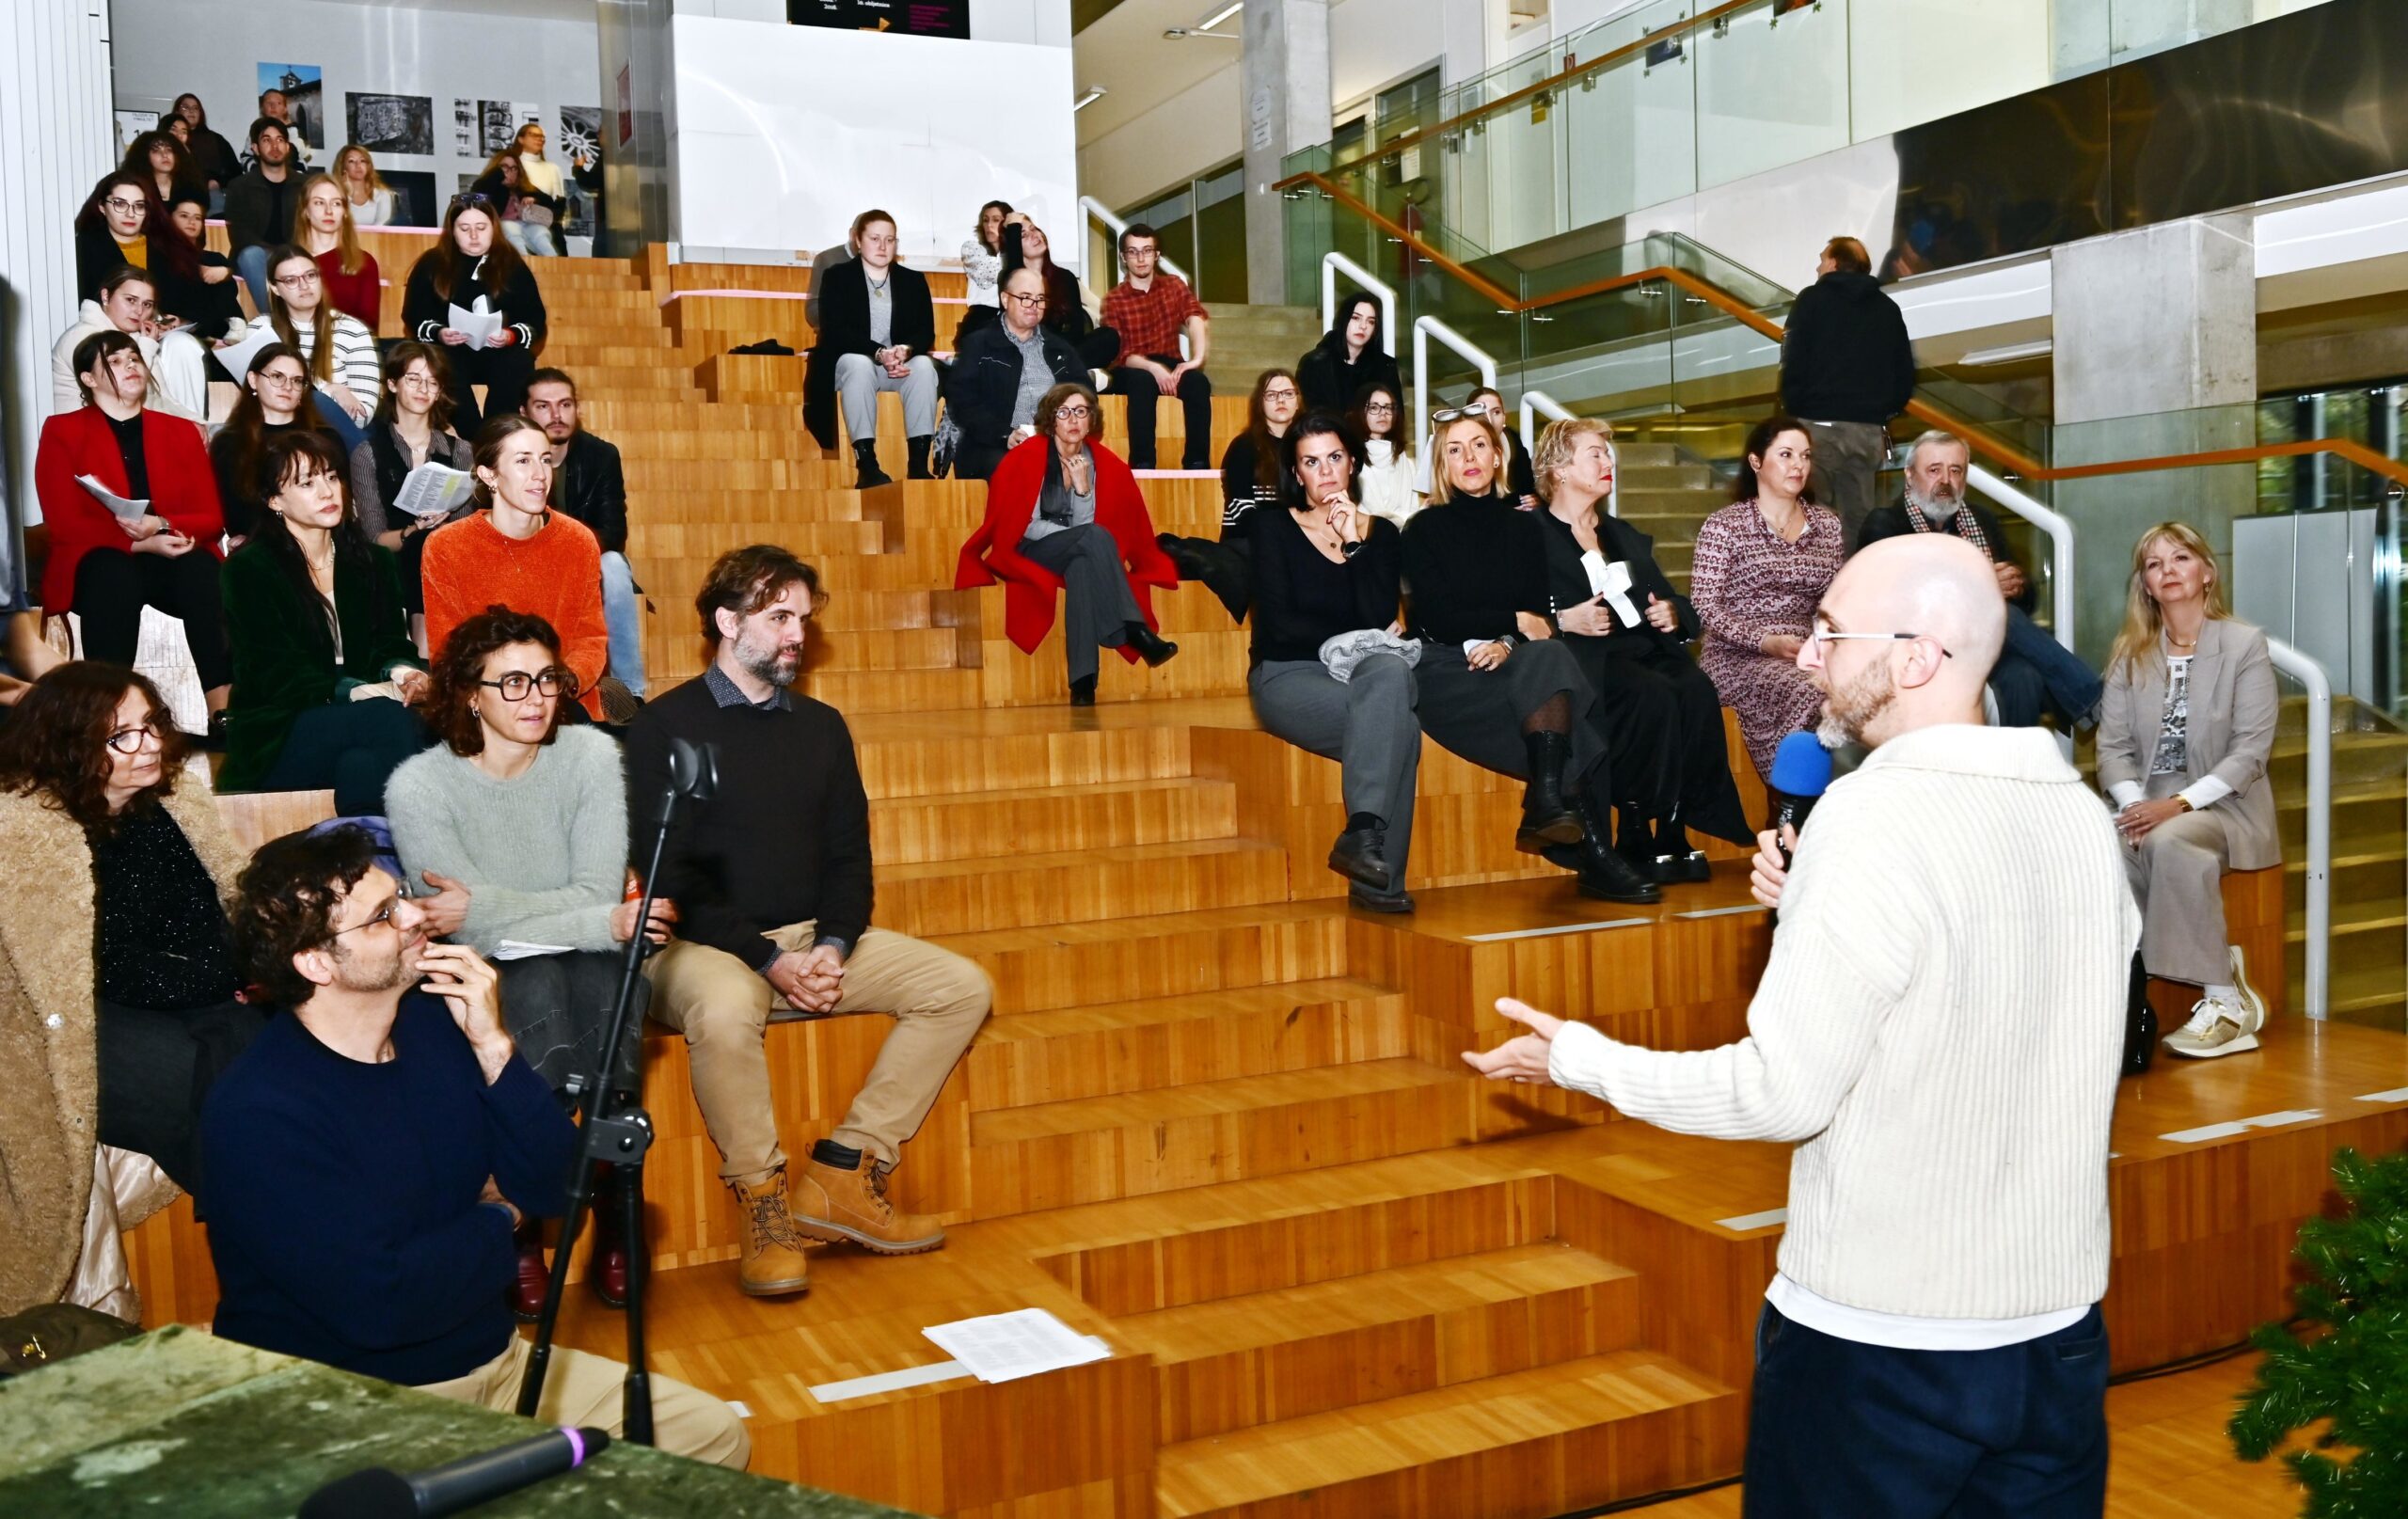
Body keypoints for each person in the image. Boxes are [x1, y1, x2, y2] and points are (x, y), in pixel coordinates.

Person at [1466, 533, 2135, 1519]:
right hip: (2057, 1345)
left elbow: (1780, 1090)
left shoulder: (1870, 818)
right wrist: (1812, 903)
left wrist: (1580, 1058)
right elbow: (1998, 995)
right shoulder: (2078, 816)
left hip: (1880, 1354)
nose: (1809, 652)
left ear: (1914, 657)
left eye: (1832, 630)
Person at [199, 826, 748, 1467]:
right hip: (360, 1403)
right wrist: (499, 1215)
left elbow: (555, 1186)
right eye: (382, 916)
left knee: (710, 1436)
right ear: (315, 963)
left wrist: (495, 1047)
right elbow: (383, 1304)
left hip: (501, 1363)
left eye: (400, 895)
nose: (413, 915)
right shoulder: (258, 1111)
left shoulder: (439, 1019)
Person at [630, 546, 994, 1296]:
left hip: (806, 937)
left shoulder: (823, 726)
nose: (796, 632)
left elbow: (847, 859)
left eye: (801, 616)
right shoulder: (663, 727)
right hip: (702, 946)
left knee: (961, 986)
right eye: (778, 616)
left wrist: (831, 944)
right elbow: (673, 876)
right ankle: (762, 1202)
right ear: (728, 623)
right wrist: (769, 961)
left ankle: (844, 1173)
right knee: (727, 1006)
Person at [386, 609, 672, 1314]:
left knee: (610, 971)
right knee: (542, 976)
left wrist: (489, 904)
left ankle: (610, 1198)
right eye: (510, 682)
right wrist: (589, 918)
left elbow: (597, 895)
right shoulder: (418, 786)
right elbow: (458, 930)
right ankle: (533, 1211)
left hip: (592, 965)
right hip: (476, 971)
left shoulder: (591, 757)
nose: (535, 696)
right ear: (468, 694)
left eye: (546, 678)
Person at [0, 664, 263, 1321]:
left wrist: (235, 973)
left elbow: (222, 909)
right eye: (122, 736)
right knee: (194, 1072)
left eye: (150, 725)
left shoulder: (175, 802)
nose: (148, 745)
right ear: (70, 745)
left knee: (266, 1047)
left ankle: (278, 1251)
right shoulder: (26, 833)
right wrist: (217, 978)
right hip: (73, 1018)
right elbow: (84, 967)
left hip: (189, 993)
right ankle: (264, 1257)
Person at [1402, 409, 1657, 904]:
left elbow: (1538, 616)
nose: (1468, 457)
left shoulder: (1524, 528)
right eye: (1454, 450)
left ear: (1498, 456)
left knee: (1550, 658)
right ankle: (1591, 847)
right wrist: (1510, 623)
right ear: (1442, 465)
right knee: (1574, 714)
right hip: (1446, 666)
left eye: (1478, 445)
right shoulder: (1422, 529)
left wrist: (1509, 639)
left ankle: (1550, 803)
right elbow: (1439, 616)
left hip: (1510, 658)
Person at [1532, 418, 1751, 883]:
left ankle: (1671, 823)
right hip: (1584, 660)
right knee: (1647, 692)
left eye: (1607, 454)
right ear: (1559, 469)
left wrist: (1672, 613)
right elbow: (1515, 609)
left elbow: (1673, 599)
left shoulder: (1621, 535)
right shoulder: (1531, 535)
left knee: (1694, 687)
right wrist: (1564, 620)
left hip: (1642, 650)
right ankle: (1633, 823)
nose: (1607, 461)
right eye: (1595, 453)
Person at [2097, 521, 2278, 1060]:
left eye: (2180, 559)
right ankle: (2125, 1004)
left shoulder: (2244, 645)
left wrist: (2172, 806)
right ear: (2146, 585)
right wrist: (2135, 807)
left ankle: (2225, 999)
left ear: (2206, 573)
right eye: (2155, 564)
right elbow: (2111, 751)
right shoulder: (2131, 655)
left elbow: (2249, 753)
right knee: (2098, 847)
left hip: (2224, 805)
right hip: (2146, 803)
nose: (2168, 571)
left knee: (2169, 841)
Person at [1244, 413, 1420, 911]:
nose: (1325, 472)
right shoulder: (1272, 526)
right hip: (1289, 675)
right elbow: (1279, 628)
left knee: (1389, 674)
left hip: (1363, 675)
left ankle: (1362, 839)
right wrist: (1352, 632)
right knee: (1399, 725)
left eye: (1335, 458)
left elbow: (1377, 614)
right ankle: (1378, 884)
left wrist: (1353, 543)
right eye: (1311, 462)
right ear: (1296, 473)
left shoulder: (1380, 535)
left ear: (1352, 462)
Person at [216, 431, 431, 814]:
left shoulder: (372, 561)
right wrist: (361, 692)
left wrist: (403, 674)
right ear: (274, 500)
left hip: (363, 722)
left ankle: (372, 851)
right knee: (388, 720)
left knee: (362, 766)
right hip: (280, 727)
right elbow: (276, 673)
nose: (327, 491)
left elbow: (391, 643)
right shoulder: (249, 570)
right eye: (307, 482)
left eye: (332, 477)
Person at [34, 331, 231, 732]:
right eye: (116, 360)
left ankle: (223, 713)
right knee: (112, 572)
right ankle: (110, 716)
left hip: (169, 554)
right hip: (101, 557)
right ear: (89, 379)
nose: (131, 365)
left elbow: (211, 517)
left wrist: (162, 525)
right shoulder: (62, 430)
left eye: (134, 358)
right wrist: (138, 544)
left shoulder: (179, 430)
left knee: (201, 570)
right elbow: (64, 523)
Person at [1859, 431, 2103, 730]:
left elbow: (2025, 603)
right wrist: (1983, 586)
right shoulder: (1885, 524)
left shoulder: (1981, 520)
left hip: (1983, 649)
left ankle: (2013, 775)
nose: (1946, 481)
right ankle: (2091, 697)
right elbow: (1895, 605)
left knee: (2023, 674)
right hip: (1921, 651)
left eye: (1956, 470)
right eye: (1934, 470)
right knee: (1997, 609)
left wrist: (2016, 583)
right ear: (1909, 475)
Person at [956, 383, 1180, 704]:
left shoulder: (1103, 464)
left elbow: (1085, 529)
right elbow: (1027, 526)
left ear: (1091, 420)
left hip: (1079, 546)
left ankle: (1083, 682)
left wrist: (1083, 491)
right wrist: (1066, 534)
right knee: (1095, 539)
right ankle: (1133, 629)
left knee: (1082, 567)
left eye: (1080, 412)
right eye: (1063, 412)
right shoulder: (1029, 457)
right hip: (1033, 548)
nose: (1072, 420)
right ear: (1051, 420)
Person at [421, 417, 609, 720]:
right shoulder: (446, 546)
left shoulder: (578, 540)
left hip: (562, 700)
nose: (540, 475)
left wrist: (555, 686)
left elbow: (590, 640)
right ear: (489, 475)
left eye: (545, 460)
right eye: (523, 461)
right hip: (487, 707)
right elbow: (447, 652)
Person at [1692, 416, 1846, 782]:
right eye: (1787, 454)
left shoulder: (1828, 525)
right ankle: (1792, 802)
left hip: (1805, 652)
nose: (1798, 465)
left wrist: (1827, 642)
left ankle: (1848, 798)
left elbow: (1834, 602)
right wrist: (1764, 641)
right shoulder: (1725, 525)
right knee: (1811, 693)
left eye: (1805, 456)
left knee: (1860, 688)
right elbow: (1704, 606)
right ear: (1756, 462)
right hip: (1736, 658)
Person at [1780, 235, 1916, 547]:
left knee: (1813, 517)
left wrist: (1795, 410)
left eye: (1821, 259)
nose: (1817, 267)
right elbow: (1904, 371)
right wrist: (1883, 411)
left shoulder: (1812, 300)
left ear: (1834, 262)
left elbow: (1793, 359)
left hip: (1819, 426)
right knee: (1860, 519)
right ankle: (1856, 587)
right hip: (1866, 432)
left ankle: (1819, 590)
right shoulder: (1887, 308)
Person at [524, 369, 645, 707]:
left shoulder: (601, 455)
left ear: (577, 408)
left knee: (616, 567)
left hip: (588, 555)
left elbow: (614, 532)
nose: (556, 415)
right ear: (525, 413)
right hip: (527, 555)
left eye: (564, 404)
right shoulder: (512, 457)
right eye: (543, 406)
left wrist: (569, 551)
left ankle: (629, 694)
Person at [349, 342, 475, 642]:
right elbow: (375, 539)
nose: (424, 389)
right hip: (392, 558)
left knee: (435, 545)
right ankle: (421, 647)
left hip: (446, 559)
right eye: (414, 379)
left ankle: (427, 647)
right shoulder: (368, 453)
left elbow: (466, 530)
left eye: (432, 382)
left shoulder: (460, 450)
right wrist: (414, 528)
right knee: (419, 543)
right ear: (392, 384)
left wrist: (441, 527)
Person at [403, 193, 547, 435]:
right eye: (464, 228)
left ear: (494, 228)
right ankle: (471, 436)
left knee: (518, 361)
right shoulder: (433, 263)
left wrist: (510, 335)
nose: (473, 236)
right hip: (452, 351)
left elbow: (534, 319)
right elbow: (414, 315)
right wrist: (440, 333)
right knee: (440, 360)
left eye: (481, 227)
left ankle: (495, 434)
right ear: (452, 230)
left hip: (500, 350)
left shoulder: (511, 264)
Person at [816, 209, 939, 487]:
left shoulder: (914, 281)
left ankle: (918, 464)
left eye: (890, 240)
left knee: (922, 365)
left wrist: (905, 350)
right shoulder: (837, 277)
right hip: (854, 364)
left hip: (896, 366)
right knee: (858, 364)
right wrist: (878, 353)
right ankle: (867, 464)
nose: (883, 247)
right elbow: (835, 331)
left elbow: (925, 332)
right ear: (858, 241)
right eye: (874, 238)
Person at [944, 264, 1083, 483]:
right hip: (991, 444)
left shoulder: (1060, 349)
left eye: (1040, 299)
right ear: (1005, 299)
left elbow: (1084, 394)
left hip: (1054, 442)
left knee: (1098, 465)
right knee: (1013, 467)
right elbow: (962, 402)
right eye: (1025, 297)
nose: (1033, 306)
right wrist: (1004, 435)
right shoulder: (978, 344)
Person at [1101, 224, 1212, 471]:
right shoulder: (1114, 299)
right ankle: (1143, 464)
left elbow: (1195, 318)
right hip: (1132, 366)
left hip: (1169, 359)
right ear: (1123, 257)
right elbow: (1120, 354)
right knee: (1141, 382)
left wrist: (1196, 360)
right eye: (1133, 252)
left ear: (1157, 255)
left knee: (1198, 383)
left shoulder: (1173, 285)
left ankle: (1197, 463)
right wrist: (1154, 368)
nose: (1140, 258)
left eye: (1147, 251)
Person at [50, 266, 208, 424]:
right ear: (106, 296)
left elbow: (163, 398)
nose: (138, 311)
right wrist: (147, 346)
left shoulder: (136, 337)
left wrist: (194, 422)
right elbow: (126, 393)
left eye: (147, 304)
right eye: (130, 300)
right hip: (85, 433)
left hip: (122, 426)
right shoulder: (82, 336)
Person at [210, 344, 333, 542]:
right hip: (257, 546)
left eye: (297, 381)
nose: (288, 387)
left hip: (319, 541)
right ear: (253, 380)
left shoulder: (325, 438)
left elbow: (337, 505)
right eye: (277, 377)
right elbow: (233, 514)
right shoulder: (229, 442)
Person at [264, 244, 380, 450]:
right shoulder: (261, 330)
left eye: (310, 275)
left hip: (335, 438)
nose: (304, 285)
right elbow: (262, 398)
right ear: (275, 288)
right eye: (291, 280)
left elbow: (362, 415)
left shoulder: (353, 330)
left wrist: (317, 399)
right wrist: (329, 389)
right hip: (278, 437)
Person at [1001, 216, 1118, 371]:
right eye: (1023, 235)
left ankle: (1062, 371)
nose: (1034, 235)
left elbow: (1076, 332)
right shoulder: (1010, 280)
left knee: (1109, 337)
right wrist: (1012, 228)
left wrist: (1060, 351)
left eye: (1034, 228)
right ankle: (1069, 373)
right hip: (1030, 354)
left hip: (1063, 354)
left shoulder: (1065, 277)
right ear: (1015, 245)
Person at [224, 118, 303, 312]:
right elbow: (240, 235)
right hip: (255, 259)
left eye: (280, 140)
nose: (275, 145)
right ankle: (273, 320)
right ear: (256, 148)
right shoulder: (239, 186)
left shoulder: (304, 185)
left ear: (287, 146)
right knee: (252, 254)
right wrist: (275, 254)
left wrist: (287, 254)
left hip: (293, 255)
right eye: (267, 140)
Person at [153, 191, 248, 347]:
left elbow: (228, 290)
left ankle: (234, 321)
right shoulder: (158, 255)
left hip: (213, 321)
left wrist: (225, 273)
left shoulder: (212, 258)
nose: (192, 222)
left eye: (197, 218)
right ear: (170, 219)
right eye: (184, 216)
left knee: (216, 263)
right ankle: (230, 321)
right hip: (178, 319)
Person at [293, 172, 382, 331]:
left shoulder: (364, 262)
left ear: (345, 212)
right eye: (319, 203)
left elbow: (369, 324)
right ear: (305, 211)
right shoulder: (290, 262)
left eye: (336, 203)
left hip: (350, 348)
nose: (329, 211)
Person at [800, 229, 860, 450]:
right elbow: (813, 310)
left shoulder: (887, 265)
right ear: (854, 235)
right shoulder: (828, 260)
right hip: (839, 340)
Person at [1297, 293, 1400, 414]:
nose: (1363, 326)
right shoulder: (1314, 363)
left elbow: (1395, 417)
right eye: (1356, 318)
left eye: (1371, 322)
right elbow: (1307, 416)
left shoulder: (1385, 366)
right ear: (1343, 320)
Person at [477, 121, 565, 258]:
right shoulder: (490, 185)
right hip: (504, 226)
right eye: (504, 167)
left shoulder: (523, 186)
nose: (509, 172)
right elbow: (478, 191)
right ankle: (524, 264)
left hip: (526, 223)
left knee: (540, 232)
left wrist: (534, 199)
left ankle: (555, 265)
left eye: (514, 168)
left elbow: (549, 201)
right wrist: (498, 175)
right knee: (511, 229)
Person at [72, 171, 163, 303]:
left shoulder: (165, 247)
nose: (130, 214)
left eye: (139, 206)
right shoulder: (82, 249)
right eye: (120, 204)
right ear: (102, 207)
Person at [1350, 382, 1418, 526]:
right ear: (1360, 412)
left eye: (1388, 408)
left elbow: (1414, 506)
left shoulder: (1404, 458)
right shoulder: (1349, 456)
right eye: (1374, 408)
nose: (1383, 413)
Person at [1465, 388, 1539, 507]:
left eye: (1496, 412)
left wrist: (1535, 500)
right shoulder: (1464, 453)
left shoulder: (1512, 438)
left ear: (1504, 416)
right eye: (1482, 414)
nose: (1490, 420)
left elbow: (1529, 485)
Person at [169, 93, 242, 204]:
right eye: (185, 107)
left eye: (195, 108)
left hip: (211, 195)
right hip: (176, 194)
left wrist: (218, 183)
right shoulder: (168, 139)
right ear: (176, 112)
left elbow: (236, 172)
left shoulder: (216, 140)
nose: (191, 111)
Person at [958, 198, 1012, 339]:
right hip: (980, 319)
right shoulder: (971, 248)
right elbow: (987, 276)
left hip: (1012, 320)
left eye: (996, 220)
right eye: (985, 220)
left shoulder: (1016, 253)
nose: (989, 225)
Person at [123, 130, 205, 211]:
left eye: (169, 150)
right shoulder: (137, 188)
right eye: (156, 151)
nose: (165, 155)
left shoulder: (190, 187)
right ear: (144, 157)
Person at [334, 143, 398, 226]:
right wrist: (347, 195)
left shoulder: (382, 194)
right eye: (351, 161)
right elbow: (337, 223)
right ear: (343, 167)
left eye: (362, 161)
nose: (358, 165)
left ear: (368, 166)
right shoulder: (333, 194)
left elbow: (381, 227)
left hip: (373, 238)